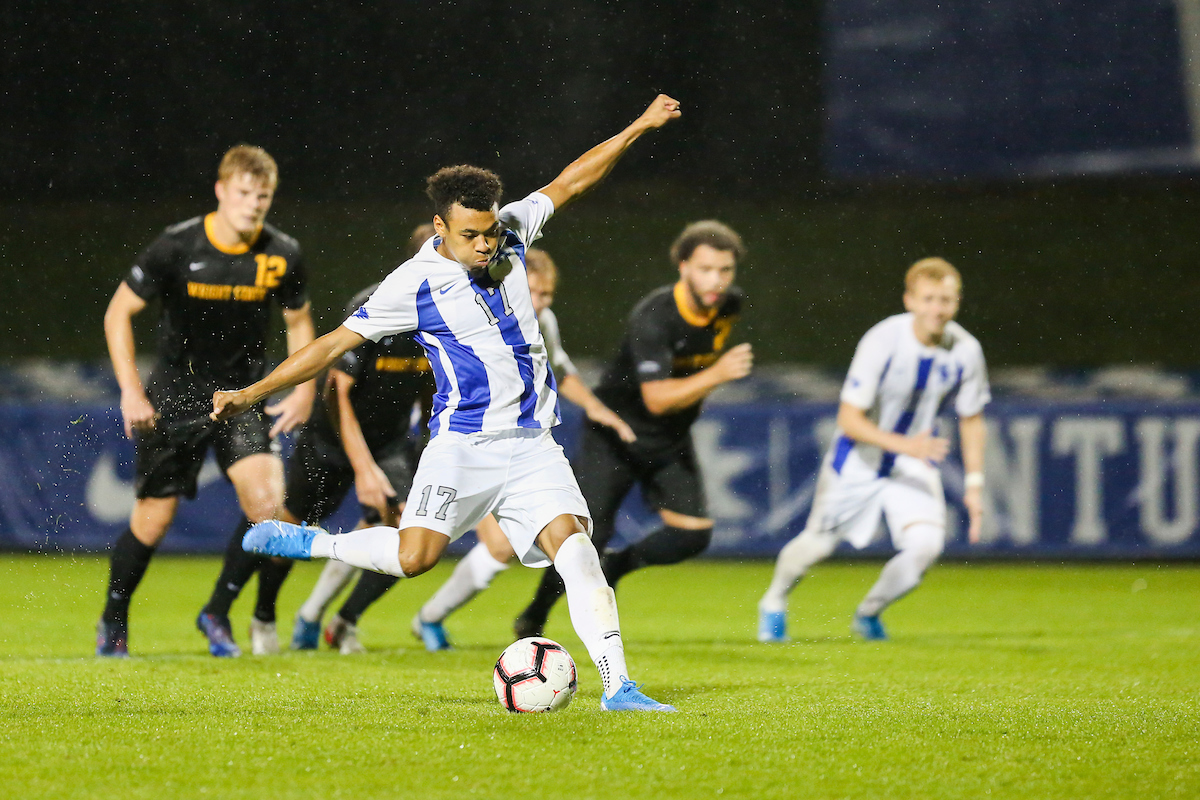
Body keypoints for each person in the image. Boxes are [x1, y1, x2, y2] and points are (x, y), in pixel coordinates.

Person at [212, 95, 682, 711]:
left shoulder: (509, 229)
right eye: (470, 235)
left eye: (490, 231)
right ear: (439, 228)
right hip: (462, 447)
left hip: (533, 448)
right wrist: (251, 393)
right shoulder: (412, 283)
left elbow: (572, 180)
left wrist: (638, 126)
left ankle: (619, 687)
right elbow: (330, 344)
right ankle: (312, 543)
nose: (486, 244)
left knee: (579, 556)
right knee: (414, 558)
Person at [97, 145, 315, 657]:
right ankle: (115, 616)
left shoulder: (283, 252)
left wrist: (304, 389)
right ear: (221, 190)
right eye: (243, 193)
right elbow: (117, 314)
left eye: (262, 196)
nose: (253, 205)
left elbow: (299, 321)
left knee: (270, 514)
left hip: (242, 396)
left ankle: (216, 611)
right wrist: (131, 390)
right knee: (153, 520)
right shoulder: (177, 246)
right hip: (174, 395)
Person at [512, 220, 751, 639]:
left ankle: (617, 567)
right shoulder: (655, 316)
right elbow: (657, 397)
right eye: (706, 268)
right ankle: (534, 614)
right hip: (617, 435)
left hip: (670, 439)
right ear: (683, 266)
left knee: (692, 535)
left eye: (725, 270)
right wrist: (717, 374)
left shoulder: (728, 305)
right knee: (584, 539)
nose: (717, 280)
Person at [410, 248, 636, 652]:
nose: (544, 302)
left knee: (499, 547)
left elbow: (559, 367)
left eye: (549, 294)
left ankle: (425, 618)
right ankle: (358, 615)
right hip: (464, 442)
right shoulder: (473, 310)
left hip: (515, 442)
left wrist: (599, 409)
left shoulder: (541, 319)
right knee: (415, 550)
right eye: (537, 292)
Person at [757, 257, 989, 642]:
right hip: (859, 460)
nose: (937, 308)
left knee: (925, 547)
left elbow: (972, 417)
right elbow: (849, 419)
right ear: (909, 300)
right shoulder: (882, 341)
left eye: (946, 300)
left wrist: (975, 484)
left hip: (912, 462)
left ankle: (867, 614)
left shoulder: (967, 350)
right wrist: (906, 445)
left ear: (957, 303)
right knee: (817, 546)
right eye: (929, 298)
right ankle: (774, 600)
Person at [280, 226, 438, 656]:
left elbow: (429, 383)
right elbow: (336, 391)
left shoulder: (449, 310)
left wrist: (430, 441)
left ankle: (338, 620)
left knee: (412, 533)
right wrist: (365, 469)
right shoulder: (380, 304)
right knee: (289, 521)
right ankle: (256, 613)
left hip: (389, 442)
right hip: (332, 436)